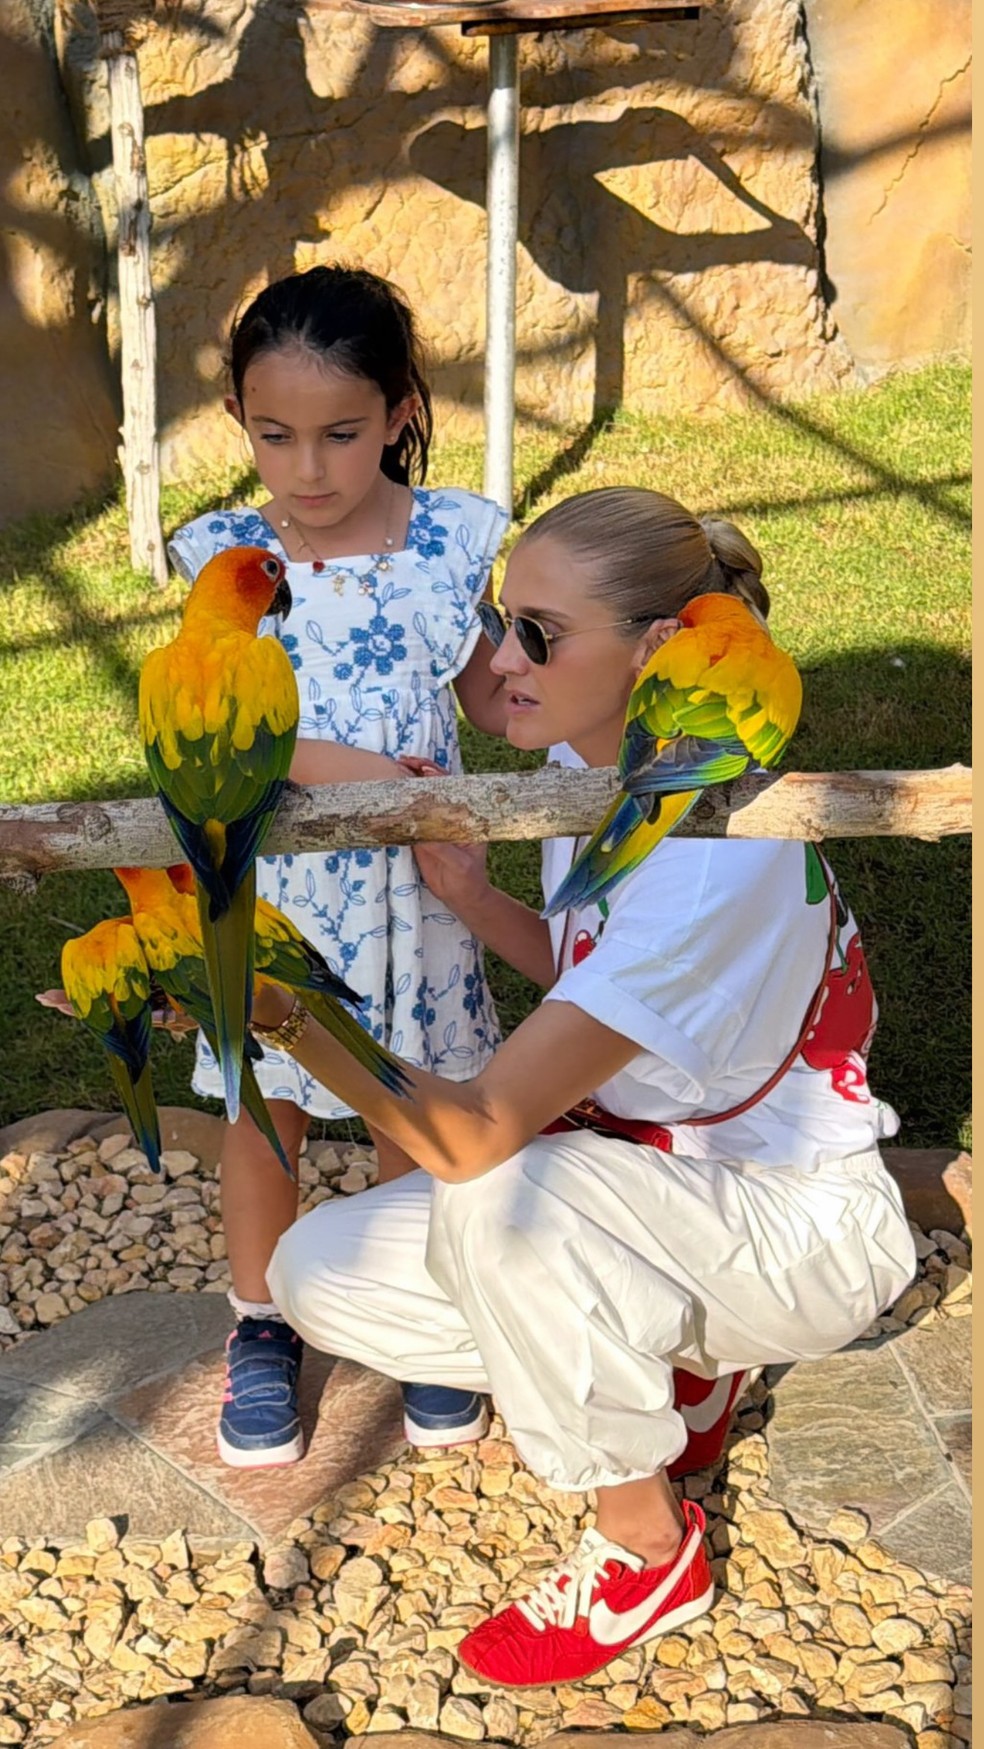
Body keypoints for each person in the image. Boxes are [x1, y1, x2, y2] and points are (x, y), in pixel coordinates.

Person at [247, 485, 916, 1687]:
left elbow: (478, 1135)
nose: (500, 661)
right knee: (316, 1273)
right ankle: (678, 1369)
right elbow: (599, 979)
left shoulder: (710, 854)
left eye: (538, 636)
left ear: (659, 648)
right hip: (670, 1202)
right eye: (506, 621)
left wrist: (282, 1011)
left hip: (804, 1229)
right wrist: (475, 898)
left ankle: (646, 1551)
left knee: (501, 1198)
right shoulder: (593, 763)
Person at [167, 265, 509, 1468]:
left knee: (411, 1108)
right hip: (281, 904)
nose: (307, 470)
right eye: (276, 436)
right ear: (241, 426)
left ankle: (420, 1315)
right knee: (269, 1114)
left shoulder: (449, 548)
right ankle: (261, 1322)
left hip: (423, 900)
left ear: (403, 410)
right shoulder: (229, 561)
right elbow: (210, 716)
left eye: (341, 434)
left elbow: (492, 700)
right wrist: (340, 758)